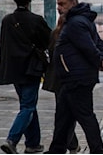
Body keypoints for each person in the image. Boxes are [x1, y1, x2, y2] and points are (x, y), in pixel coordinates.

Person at [46, 0, 103, 154]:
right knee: (63, 117)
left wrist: (99, 61)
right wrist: (102, 59)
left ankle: (98, 150)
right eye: (57, 4)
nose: (59, 8)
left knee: (85, 115)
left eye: (62, 4)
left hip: (76, 77)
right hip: (72, 77)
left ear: (73, 3)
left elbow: (89, 47)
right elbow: (99, 44)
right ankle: (57, 149)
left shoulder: (75, 23)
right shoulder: (81, 21)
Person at [0, 0, 51, 154]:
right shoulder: (36, 20)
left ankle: (33, 143)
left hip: (14, 69)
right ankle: (12, 139)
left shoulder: (7, 20)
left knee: (28, 105)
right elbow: (47, 42)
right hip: (31, 68)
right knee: (28, 106)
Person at [42, 13, 80, 154]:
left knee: (63, 113)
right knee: (68, 114)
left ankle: (70, 144)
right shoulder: (70, 35)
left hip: (57, 79)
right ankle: (70, 145)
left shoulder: (54, 34)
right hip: (68, 78)